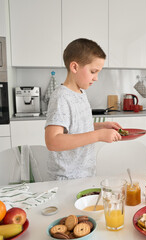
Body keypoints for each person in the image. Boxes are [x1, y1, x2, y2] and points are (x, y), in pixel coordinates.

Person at [45, 38, 123, 180]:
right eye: (93, 71)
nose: (96, 78)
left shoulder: (81, 93)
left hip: (85, 175)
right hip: (66, 178)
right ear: (74, 67)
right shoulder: (61, 97)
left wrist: (99, 127)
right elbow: (53, 141)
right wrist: (98, 136)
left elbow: (74, 127)